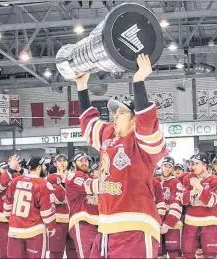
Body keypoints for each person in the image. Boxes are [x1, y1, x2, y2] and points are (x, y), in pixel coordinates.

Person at [77, 54, 165, 258]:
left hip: (136, 225)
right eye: (115, 114)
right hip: (106, 226)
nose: (114, 116)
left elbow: (148, 124)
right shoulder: (108, 135)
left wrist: (139, 81)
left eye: (122, 114)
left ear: (134, 121)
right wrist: (82, 87)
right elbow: (89, 125)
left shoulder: (142, 143)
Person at [3, 156, 56, 258]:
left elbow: (7, 204)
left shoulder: (16, 180)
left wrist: (13, 220)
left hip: (15, 230)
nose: (45, 168)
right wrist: (51, 226)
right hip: (34, 231)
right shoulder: (43, 184)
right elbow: (46, 210)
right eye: (44, 165)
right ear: (39, 167)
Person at [180, 153, 217, 259]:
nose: (193, 167)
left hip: (209, 223)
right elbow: (182, 200)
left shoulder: (215, 180)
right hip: (190, 223)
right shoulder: (188, 178)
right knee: (187, 254)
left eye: (196, 164)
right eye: (192, 164)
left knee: (211, 255)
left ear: (204, 165)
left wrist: (199, 188)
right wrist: (193, 191)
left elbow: (213, 202)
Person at [66, 152, 99, 258]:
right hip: (82, 222)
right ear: (74, 164)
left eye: (86, 160)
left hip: (97, 222)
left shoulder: (90, 176)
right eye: (81, 160)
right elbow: (91, 186)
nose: (84, 163)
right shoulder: (73, 176)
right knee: (86, 255)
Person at [0, 158, 21, 259]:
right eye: (4, 168)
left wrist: (19, 169)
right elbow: (0, 184)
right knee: (3, 253)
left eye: (8, 168)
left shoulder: (17, 178)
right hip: (2, 223)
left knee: (18, 253)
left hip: (18, 222)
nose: (6, 170)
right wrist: (10, 170)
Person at [46, 154, 77, 259]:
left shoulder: (73, 176)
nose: (62, 163)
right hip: (58, 221)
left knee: (73, 252)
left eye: (64, 160)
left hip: (73, 219)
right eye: (59, 161)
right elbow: (53, 199)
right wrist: (63, 184)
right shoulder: (50, 178)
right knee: (56, 252)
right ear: (55, 163)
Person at [155, 157, 183, 259]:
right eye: (165, 166)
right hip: (157, 222)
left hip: (172, 224)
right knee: (158, 253)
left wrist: (168, 223)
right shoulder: (154, 181)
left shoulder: (176, 183)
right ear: (161, 166)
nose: (167, 169)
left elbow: (177, 205)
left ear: (172, 169)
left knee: (174, 252)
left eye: (169, 167)